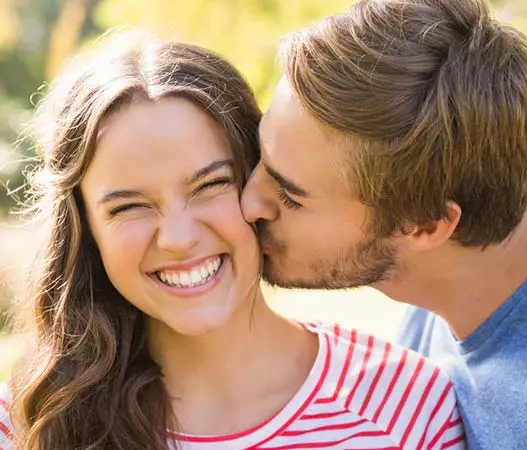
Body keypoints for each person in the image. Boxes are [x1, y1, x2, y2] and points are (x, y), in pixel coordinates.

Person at [239, 0, 527, 448]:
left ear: (424, 225)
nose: (248, 202)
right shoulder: (431, 298)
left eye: (288, 195)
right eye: (260, 158)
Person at [0, 32, 465, 449]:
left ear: (259, 180)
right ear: (87, 231)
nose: (179, 239)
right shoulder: (28, 421)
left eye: (209, 185)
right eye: (128, 207)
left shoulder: (406, 408)